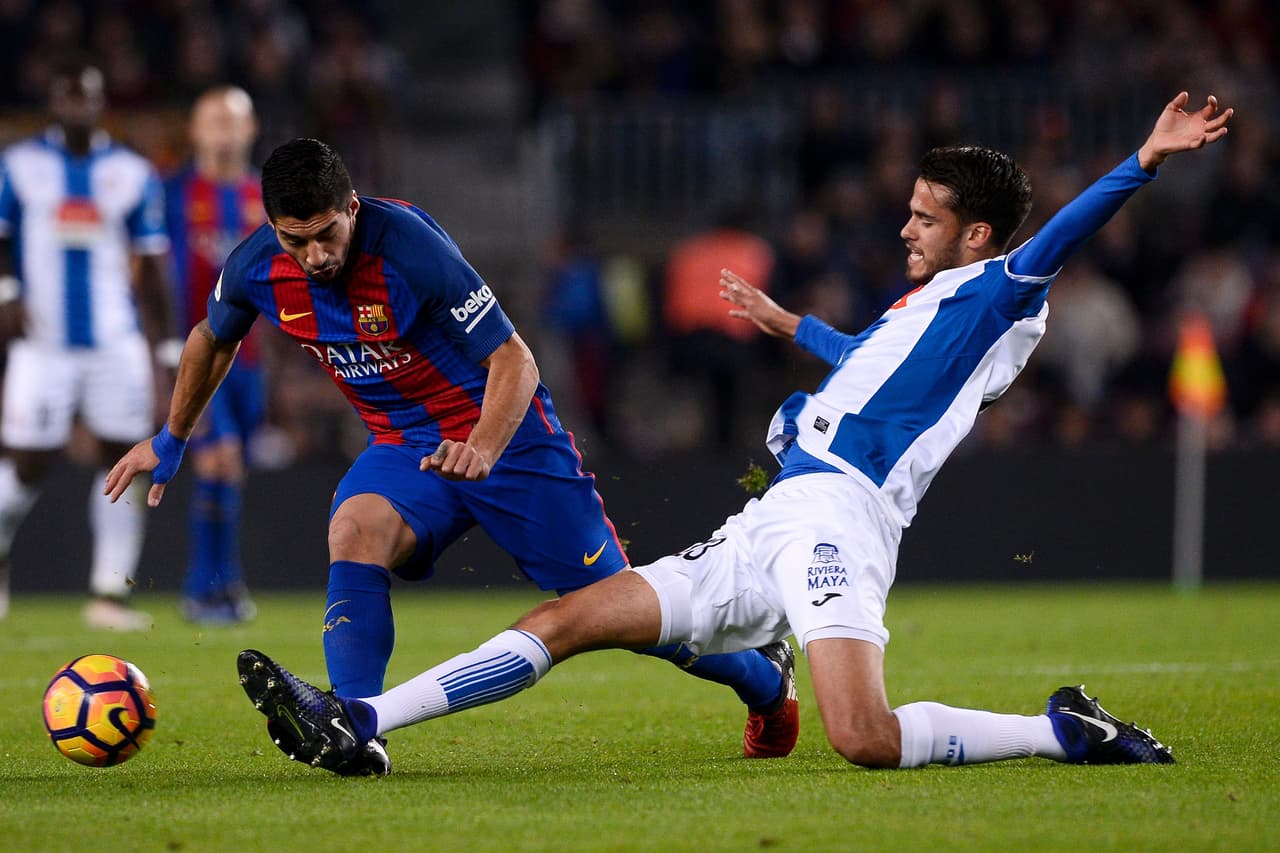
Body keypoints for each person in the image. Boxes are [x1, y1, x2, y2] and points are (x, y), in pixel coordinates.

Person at [232, 92, 1230, 775]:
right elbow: (861, 362)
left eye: (924, 217)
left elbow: (1057, 237)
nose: (903, 228)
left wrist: (1139, 161)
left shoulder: (997, 291)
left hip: (841, 517)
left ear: (976, 236)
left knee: (864, 737)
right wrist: (788, 326)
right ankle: (360, 718)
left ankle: (1057, 732)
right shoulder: (926, 309)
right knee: (570, 617)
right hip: (771, 510)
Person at [105, 138, 795, 773]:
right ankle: (355, 729)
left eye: (326, 235)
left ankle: (765, 678)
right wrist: (172, 438)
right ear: (274, 227)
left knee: (619, 614)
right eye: (296, 241)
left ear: (351, 206)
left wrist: (483, 446)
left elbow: (514, 359)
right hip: (406, 444)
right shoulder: (257, 264)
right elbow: (210, 337)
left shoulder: (407, 244)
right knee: (354, 528)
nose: (314, 256)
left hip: (511, 441)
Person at [0, 59, 175, 630]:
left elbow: (151, 270)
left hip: (113, 343)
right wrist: (5, 292)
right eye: (68, 95)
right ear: (53, 101)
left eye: (88, 96)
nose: (78, 105)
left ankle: (108, 595)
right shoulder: (18, 166)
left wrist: (166, 353)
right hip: (41, 344)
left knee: (123, 462)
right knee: (26, 463)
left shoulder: (132, 172)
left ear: (102, 103)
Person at [164, 86, 267, 624]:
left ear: (250, 130)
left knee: (233, 472)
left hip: (251, 364)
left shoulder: (263, 198)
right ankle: (202, 588)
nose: (225, 132)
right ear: (196, 131)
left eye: (234, 122)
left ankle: (222, 582)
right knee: (216, 460)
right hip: (195, 355)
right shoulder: (174, 195)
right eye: (214, 122)